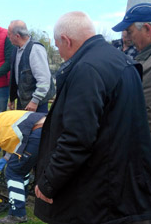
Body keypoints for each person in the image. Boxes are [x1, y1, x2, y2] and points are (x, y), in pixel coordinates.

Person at [34, 11, 151, 224]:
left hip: (96, 194)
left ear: (67, 40)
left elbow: (77, 139)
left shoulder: (87, 69)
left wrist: (48, 183)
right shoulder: (120, 60)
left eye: (58, 46)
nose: (59, 52)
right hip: (122, 187)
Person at [112, 3, 151, 136]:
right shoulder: (143, 59)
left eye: (130, 31)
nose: (128, 37)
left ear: (147, 29)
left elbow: (144, 113)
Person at [7, 20, 55, 113]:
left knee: (37, 127)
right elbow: (15, 77)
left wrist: (35, 101)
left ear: (17, 36)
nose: (8, 37)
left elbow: (44, 80)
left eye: (9, 34)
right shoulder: (16, 49)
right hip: (23, 102)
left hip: (36, 105)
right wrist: (12, 98)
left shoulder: (36, 49)